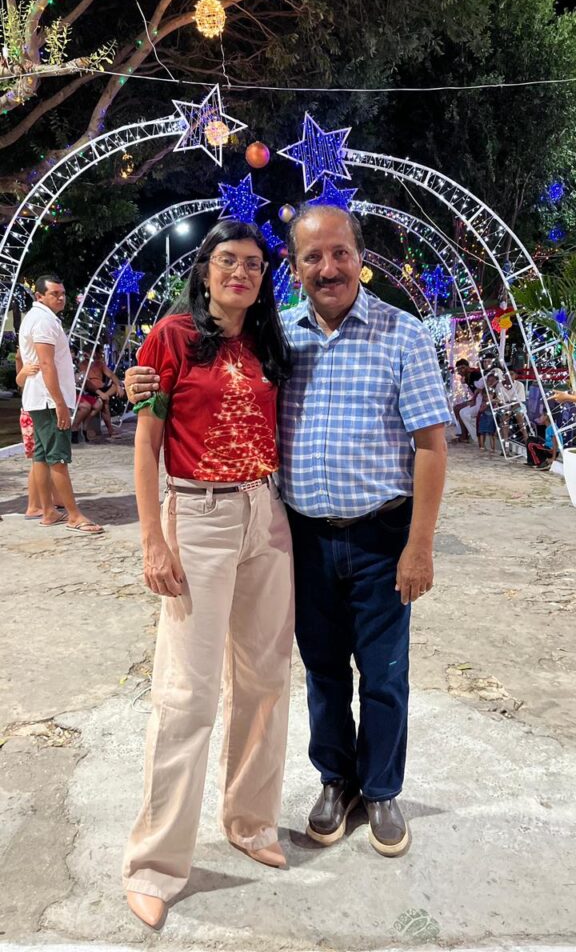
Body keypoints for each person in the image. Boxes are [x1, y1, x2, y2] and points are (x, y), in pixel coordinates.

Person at [125, 204, 450, 865]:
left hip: (368, 535)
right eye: (311, 257)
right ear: (295, 269)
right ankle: (332, 782)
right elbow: (164, 411)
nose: (327, 267)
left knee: (373, 675)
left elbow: (431, 445)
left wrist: (420, 545)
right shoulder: (269, 334)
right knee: (308, 673)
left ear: (361, 257)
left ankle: (376, 791)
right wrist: (142, 384)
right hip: (289, 531)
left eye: (339, 253)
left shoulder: (392, 334)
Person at [122, 220, 294, 930]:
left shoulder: (269, 342)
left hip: (267, 516)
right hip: (198, 515)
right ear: (205, 269)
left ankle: (250, 821)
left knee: (266, 680)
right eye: (228, 260)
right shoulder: (171, 337)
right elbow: (146, 443)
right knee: (187, 693)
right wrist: (153, 540)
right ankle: (155, 863)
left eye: (253, 264)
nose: (241, 273)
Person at [18, 274, 104, 534]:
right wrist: (60, 402)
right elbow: (46, 364)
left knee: (42, 456)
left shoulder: (37, 318)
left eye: (63, 293)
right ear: (40, 296)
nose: (61, 298)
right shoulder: (43, 321)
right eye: (54, 293)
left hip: (40, 398)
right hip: (47, 399)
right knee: (58, 458)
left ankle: (48, 511)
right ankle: (74, 516)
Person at [15, 351, 64, 517]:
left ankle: (54, 498)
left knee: (46, 458)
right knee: (40, 459)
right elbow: (19, 379)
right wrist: (23, 371)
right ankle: (34, 504)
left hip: (37, 408)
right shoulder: (31, 356)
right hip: (35, 410)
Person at [77, 344, 124, 439]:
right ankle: (110, 430)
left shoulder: (100, 364)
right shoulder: (82, 365)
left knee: (115, 386)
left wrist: (119, 386)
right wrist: (100, 393)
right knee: (105, 403)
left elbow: (111, 375)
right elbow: (87, 382)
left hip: (103, 389)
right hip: (91, 389)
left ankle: (102, 396)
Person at [452, 358, 482, 441]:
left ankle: (464, 435)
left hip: (480, 400)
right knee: (456, 408)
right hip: (476, 398)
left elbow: (480, 389)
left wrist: (474, 400)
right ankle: (463, 432)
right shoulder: (467, 376)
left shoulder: (475, 374)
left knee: (459, 409)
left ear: (467, 367)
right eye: (459, 369)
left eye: (462, 368)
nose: (460, 371)